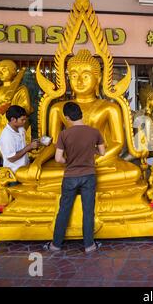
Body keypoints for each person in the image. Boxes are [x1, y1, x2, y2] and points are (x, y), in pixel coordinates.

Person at [43, 102, 105, 253]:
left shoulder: (64, 134)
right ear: (81, 114)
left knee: (64, 210)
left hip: (70, 176)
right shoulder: (94, 132)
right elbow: (102, 152)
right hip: (89, 175)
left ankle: (55, 245)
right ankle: (89, 245)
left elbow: (58, 159)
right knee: (88, 210)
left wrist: (69, 161)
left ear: (67, 117)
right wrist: (91, 151)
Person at [0, 105, 39, 237]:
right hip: (13, 173)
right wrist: (28, 148)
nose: (24, 122)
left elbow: (23, 147)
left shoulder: (20, 128)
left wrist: (34, 145)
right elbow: (11, 157)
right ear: (13, 119)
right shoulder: (6, 136)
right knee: (9, 202)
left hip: (24, 169)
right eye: (22, 120)